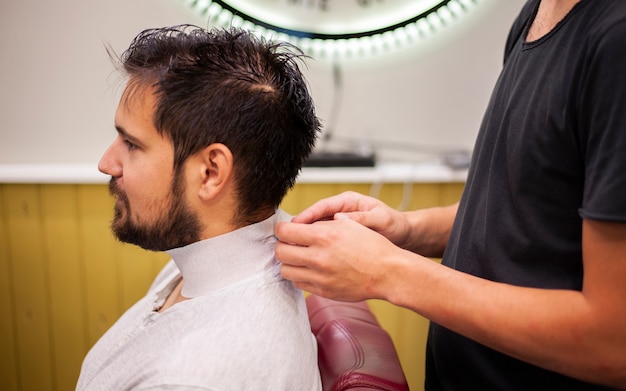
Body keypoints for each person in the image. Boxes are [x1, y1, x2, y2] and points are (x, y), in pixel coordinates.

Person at [274, 0, 626, 389]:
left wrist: (388, 272)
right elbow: (525, 211)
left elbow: (613, 341)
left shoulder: (615, 40)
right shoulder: (537, 13)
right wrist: (407, 229)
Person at [76, 25, 322, 390]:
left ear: (210, 173)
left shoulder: (194, 378)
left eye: (131, 144)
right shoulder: (207, 258)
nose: (107, 163)